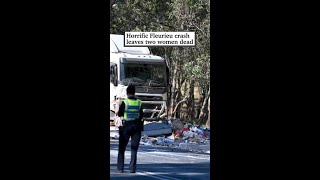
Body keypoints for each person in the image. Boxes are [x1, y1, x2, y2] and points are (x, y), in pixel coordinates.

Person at [116, 85, 144, 173]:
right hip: (136, 127)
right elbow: (141, 115)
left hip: (126, 127)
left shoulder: (125, 102)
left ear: (127, 93)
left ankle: (120, 168)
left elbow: (120, 114)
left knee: (122, 148)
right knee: (134, 149)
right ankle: (132, 168)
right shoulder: (139, 102)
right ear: (134, 92)